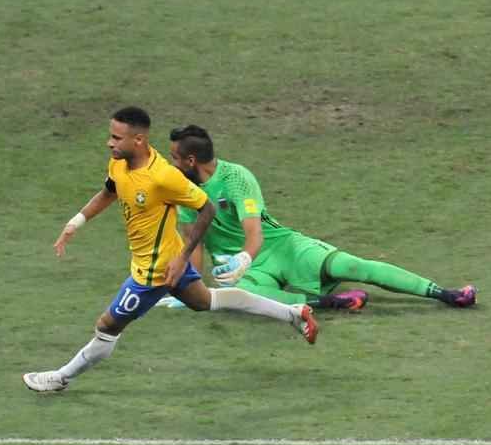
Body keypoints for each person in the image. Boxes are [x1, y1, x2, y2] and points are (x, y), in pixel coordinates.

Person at [22, 107, 319, 393]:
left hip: (155, 272)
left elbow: (206, 208)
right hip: (163, 259)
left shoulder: (164, 177)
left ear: (138, 140)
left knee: (107, 325)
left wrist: (180, 259)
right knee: (205, 301)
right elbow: (109, 192)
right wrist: (76, 222)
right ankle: (293, 314)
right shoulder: (118, 163)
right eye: (110, 135)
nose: (109, 142)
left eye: (116, 137)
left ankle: (60, 378)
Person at [165, 124, 477, 312]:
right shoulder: (181, 189)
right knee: (242, 296)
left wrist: (243, 259)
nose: (170, 163)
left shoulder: (235, 178)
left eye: (174, 158)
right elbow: (193, 242)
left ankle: (445, 294)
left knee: (353, 266)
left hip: (282, 247)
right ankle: (332, 303)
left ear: (191, 160)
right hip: (249, 271)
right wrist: (191, 288)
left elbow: (255, 234)